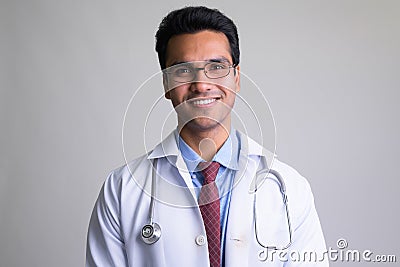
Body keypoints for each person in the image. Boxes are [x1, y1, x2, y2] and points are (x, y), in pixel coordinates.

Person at [86, 6, 328, 266]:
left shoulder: (289, 188)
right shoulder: (121, 189)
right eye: (182, 70)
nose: (201, 84)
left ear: (236, 77)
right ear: (166, 84)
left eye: (216, 67)